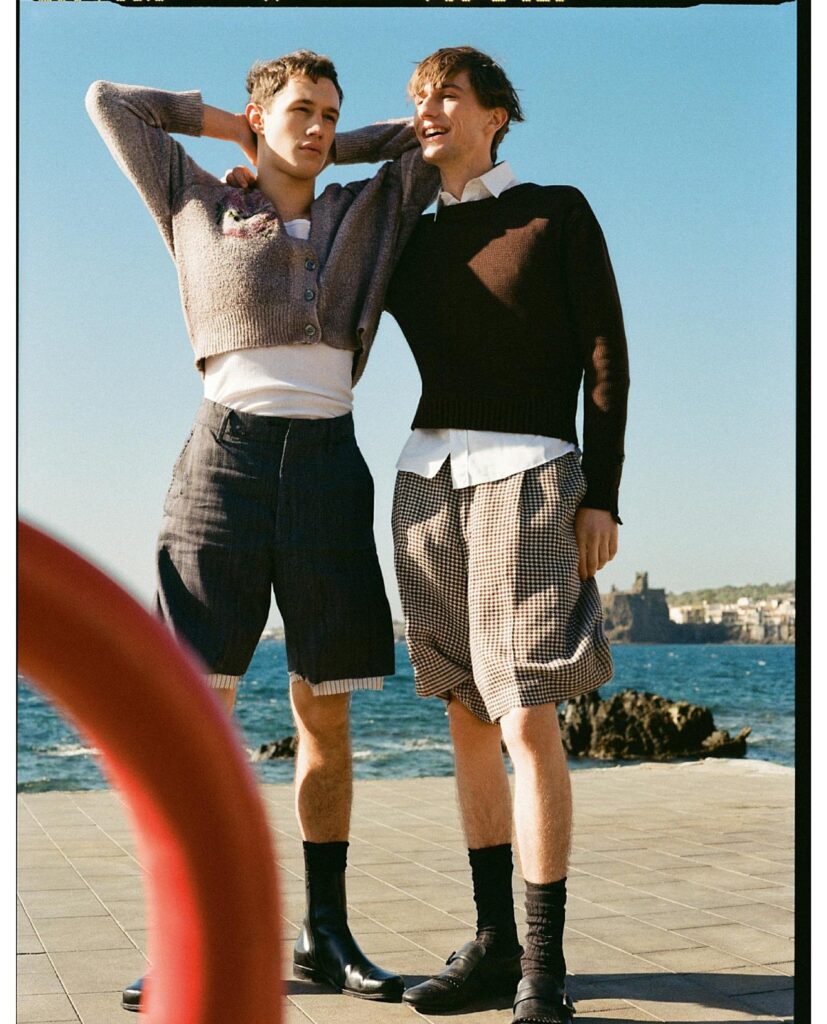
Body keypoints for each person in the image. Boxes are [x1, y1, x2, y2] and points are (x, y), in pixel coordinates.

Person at [85, 50, 439, 1011]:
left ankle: (325, 934)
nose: (318, 125)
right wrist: (235, 132)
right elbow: (110, 102)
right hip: (223, 466)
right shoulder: (194, 199)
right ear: (257, 113)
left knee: (325, 710)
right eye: (300, 110)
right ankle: (187, 934)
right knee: (198, 709)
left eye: (330, 112)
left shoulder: (369, 207)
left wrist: (323, 149)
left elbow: (424, 139)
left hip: (328, 468)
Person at [384, 47, 630, 1024]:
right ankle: (493, 943)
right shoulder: (405, 238)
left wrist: (601, 493)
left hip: (532, 472)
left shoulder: (554, 212)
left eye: (446, 95)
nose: (427, 110)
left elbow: (604, 356)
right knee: (465, 716)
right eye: (416, 100)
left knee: (526, 714)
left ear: (496, 114)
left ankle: (542, 965)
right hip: (425, 483)